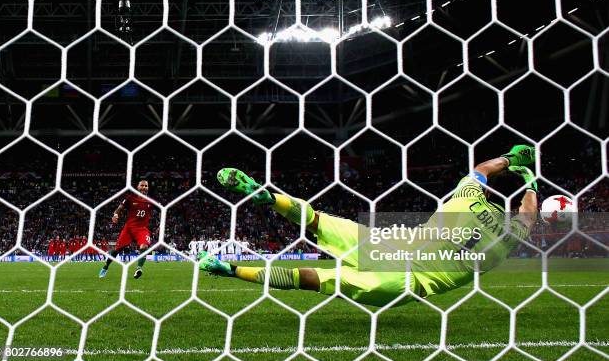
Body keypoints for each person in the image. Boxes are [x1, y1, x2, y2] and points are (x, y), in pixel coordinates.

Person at [196, 145, 539, 307]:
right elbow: (528, 214)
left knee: (317, 220)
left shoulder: (466, 199)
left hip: (392, 244)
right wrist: (532, 184)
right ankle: (231, 269)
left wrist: (514, 161)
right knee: (312, 279)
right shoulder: (509, 235)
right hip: (406, 282)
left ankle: (271, 199)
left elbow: (482, 167)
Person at [99, 180, 153, 279]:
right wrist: (115, 215)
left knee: (144, 246)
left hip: (142, 229)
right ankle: (106, 266)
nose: (144, 187)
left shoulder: (151, 202)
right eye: (142, 185)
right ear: (137, 187)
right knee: (116, 250)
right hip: (129, 228)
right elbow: (119, 209)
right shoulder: (130, 198)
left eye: (146, 186)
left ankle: (138, 269)